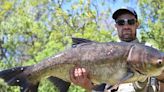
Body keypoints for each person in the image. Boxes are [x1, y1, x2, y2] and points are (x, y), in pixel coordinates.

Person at [69, 7, 160, 92]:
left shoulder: (153, 53)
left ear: (137, 24)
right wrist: (88, 86)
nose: (126, 26)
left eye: (131, 22)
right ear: (115, 26)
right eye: (121, 22)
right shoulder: (104, 53)